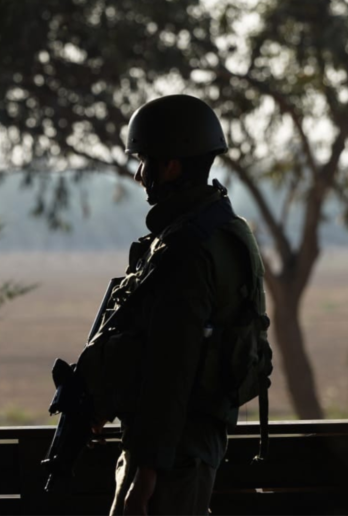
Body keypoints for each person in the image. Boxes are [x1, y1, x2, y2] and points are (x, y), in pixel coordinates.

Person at [100, 94, 268, 516]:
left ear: (172, 164)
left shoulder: (186, 249)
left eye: (146, 161)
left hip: (172, 451)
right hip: (184, 442)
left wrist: (146, 473)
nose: (140, 175)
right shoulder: (224, 229)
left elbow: (172, 366)